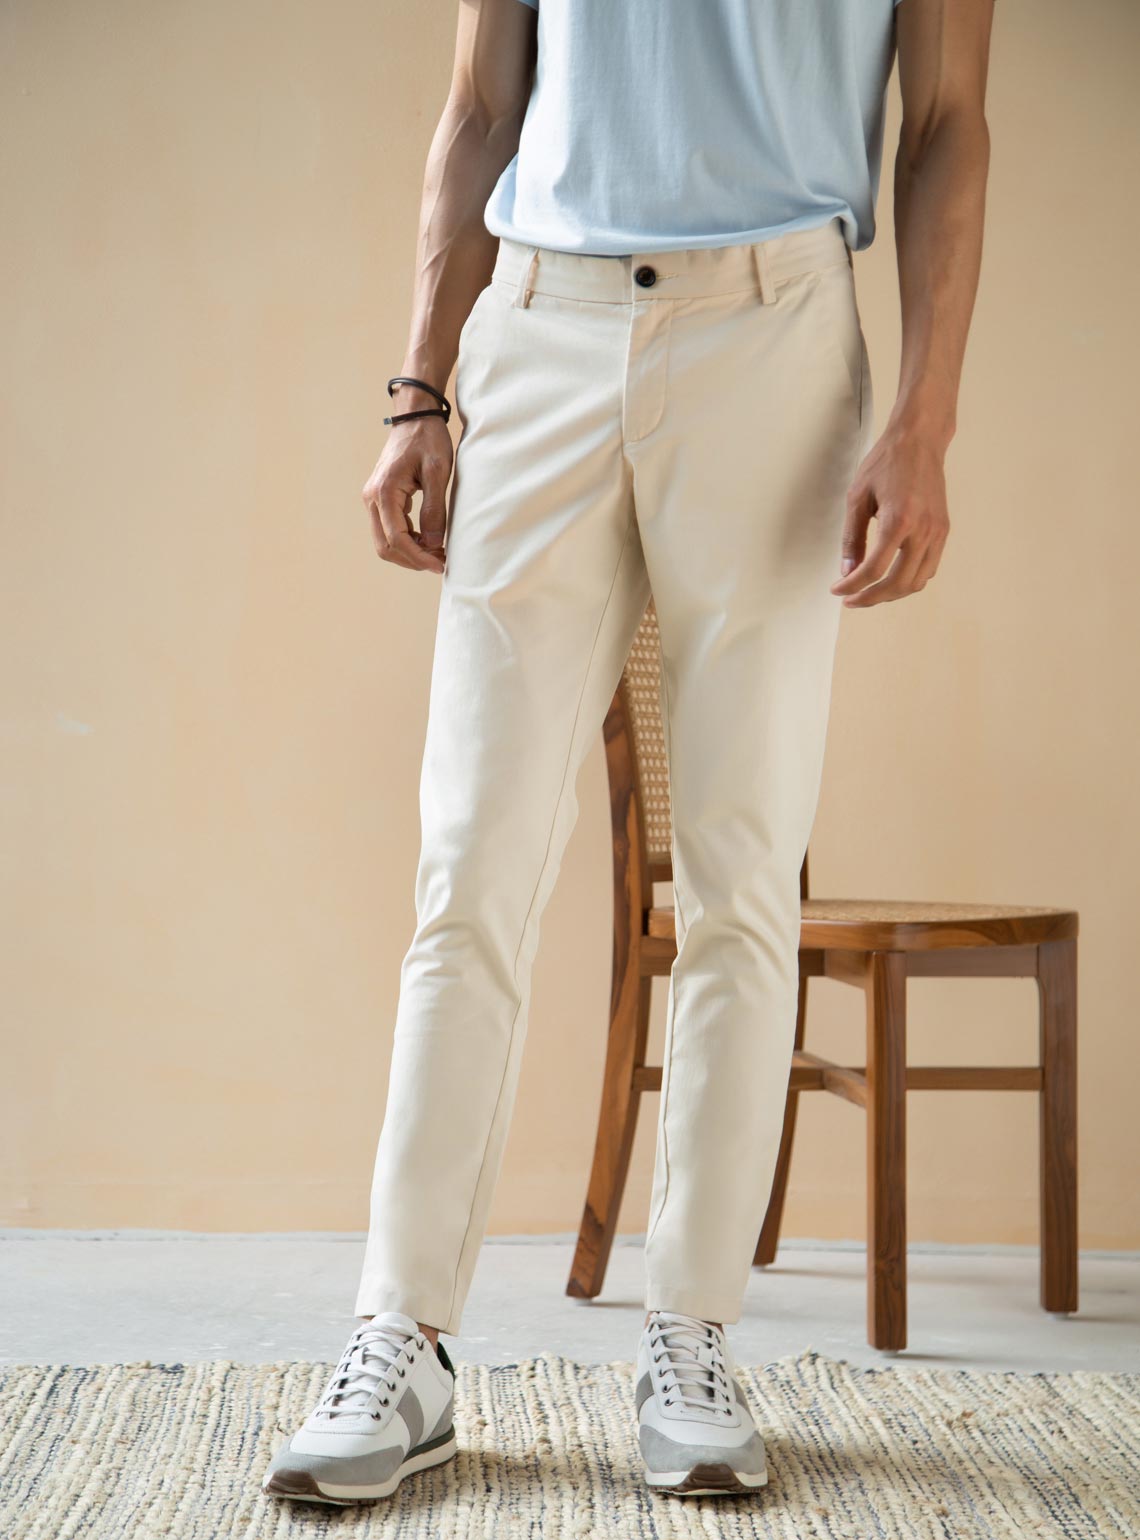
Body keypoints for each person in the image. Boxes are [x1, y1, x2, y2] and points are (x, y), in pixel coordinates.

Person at [262, 0, 994, 1505]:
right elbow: (481, 108)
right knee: (470, 867)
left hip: (779, 333)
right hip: (538, 321)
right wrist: (420, 386)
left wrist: (927, 418)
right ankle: (401, 1339)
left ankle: (693, 1335)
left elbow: (942, 123)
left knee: (741, 874)